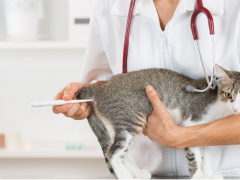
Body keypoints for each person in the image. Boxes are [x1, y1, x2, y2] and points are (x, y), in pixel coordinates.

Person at [53, 0, 240, 177]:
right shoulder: (109, 8)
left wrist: (183, 136)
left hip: (224, 175)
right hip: (144, 174)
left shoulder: (233, 7)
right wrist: (85, 98)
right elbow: (107, 85)